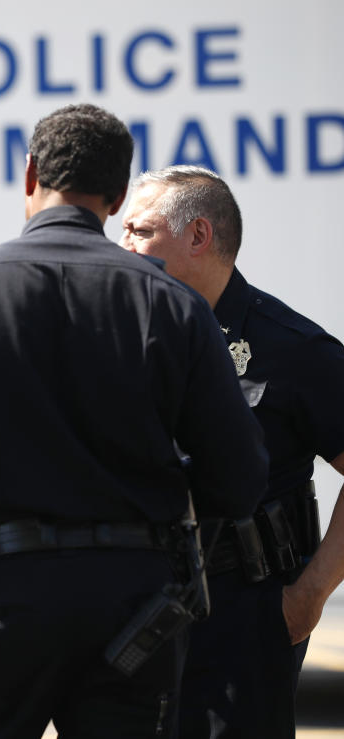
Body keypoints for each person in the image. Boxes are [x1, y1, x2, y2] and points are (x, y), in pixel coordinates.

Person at [0, 104, 269, 738]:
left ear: (29, 175)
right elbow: (240, 478)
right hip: (137, 607)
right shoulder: (175, 307)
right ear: (116, 196)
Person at [120, 165, 344, 737]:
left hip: (246, 609)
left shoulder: (292, 348)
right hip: (135, 603)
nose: (123, 246)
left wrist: (309, 595)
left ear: (198, 236)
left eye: (140, 232)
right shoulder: (120, 335)